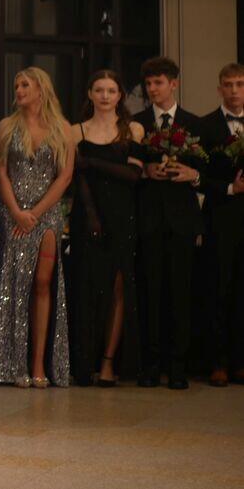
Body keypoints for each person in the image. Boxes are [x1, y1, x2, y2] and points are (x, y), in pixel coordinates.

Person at [0, 68, 74, 388]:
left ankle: (39, 363)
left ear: (41, 89)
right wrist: (16, 212)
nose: (19, 90)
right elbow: (2, 172)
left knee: (42, 283)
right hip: (13, 213)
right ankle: (14, 365)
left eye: (25, 85)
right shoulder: (6, 126)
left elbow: (65, 177)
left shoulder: (62, 128)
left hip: (46, 214)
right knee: (14, 287)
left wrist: (35, 213)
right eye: (16, 85)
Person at [132, 56, 204, 390]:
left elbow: (208, 173)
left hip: (181, 220)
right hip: (148, 217)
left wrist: (193, 174)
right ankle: (150, 365)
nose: (152, 89)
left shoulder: (194, 123)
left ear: (173, 84)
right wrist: (145, 171)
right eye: (148, 84)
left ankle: (177, 366)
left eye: (158, 83)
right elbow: (130, 168)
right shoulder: (138, 124)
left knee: (180, 292)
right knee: (150, 292)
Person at [68, 69, 143, 386]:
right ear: (89, 93)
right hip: (87, 214)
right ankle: (84, 362)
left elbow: (134, 176)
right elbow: (77, 178)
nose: (105, 96)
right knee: (86, 286)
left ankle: (109, 362)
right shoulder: (75, 131)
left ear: (120, 95)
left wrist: (93, 163)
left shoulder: (133, 129)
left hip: (123, 215)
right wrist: (90, 214)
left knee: (118, 287)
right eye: (99, 90)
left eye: (111, 90)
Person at [199, 62, 244, 386]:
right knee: (219, 289)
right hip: (221, 218)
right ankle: (218, 362)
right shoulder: (206, 126)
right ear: (219, 89)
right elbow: (199, 177)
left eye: (240, 84)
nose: (234, 90)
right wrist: (230, 188)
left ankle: (241, 360)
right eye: (228, 85)